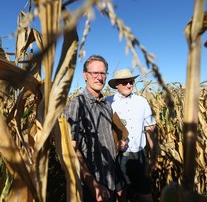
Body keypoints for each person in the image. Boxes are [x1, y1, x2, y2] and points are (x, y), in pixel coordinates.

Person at [64, 55, 116, 202]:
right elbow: (71, 149)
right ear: (85, 75)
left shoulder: (106, 105)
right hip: (92, 187)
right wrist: (93, 185)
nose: (99, 77)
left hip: (110, 179)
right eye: (95, 73)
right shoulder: (78, 104)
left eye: (103, 73)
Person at [106, 69, 158, 202]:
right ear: (117, 84)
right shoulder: (107, 103)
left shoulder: (141, 102)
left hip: (138, 157)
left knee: (145, 194)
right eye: (124, 82)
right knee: (119, 194)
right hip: (116, 157)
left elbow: (150, 128)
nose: (129, 85)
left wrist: (153, 154)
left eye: (131, 82)